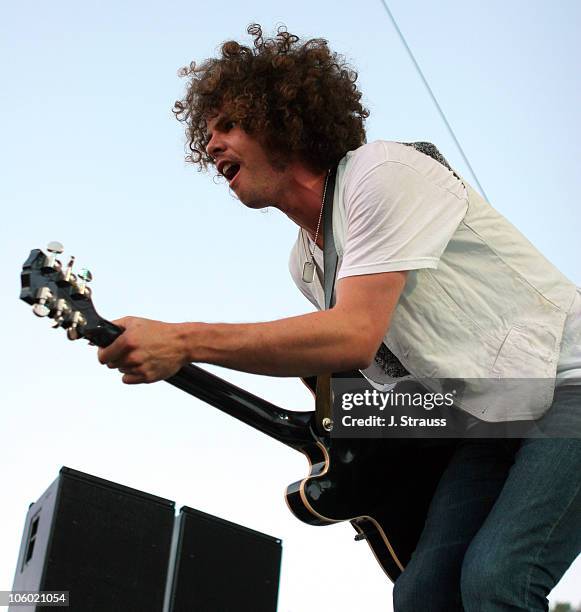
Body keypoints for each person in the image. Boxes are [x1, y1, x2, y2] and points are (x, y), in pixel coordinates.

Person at [97, 24, 581, 611]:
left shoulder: (381, 173)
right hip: (490, 423)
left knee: (495, 580)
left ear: (279, 117)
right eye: (207, 136)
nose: (211, 145)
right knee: (421, 595)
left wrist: (182, 340)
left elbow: (353, 335)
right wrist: (333, 442)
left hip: (567, 384)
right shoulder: (307, 265)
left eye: (227, 125)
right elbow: (415, 393)